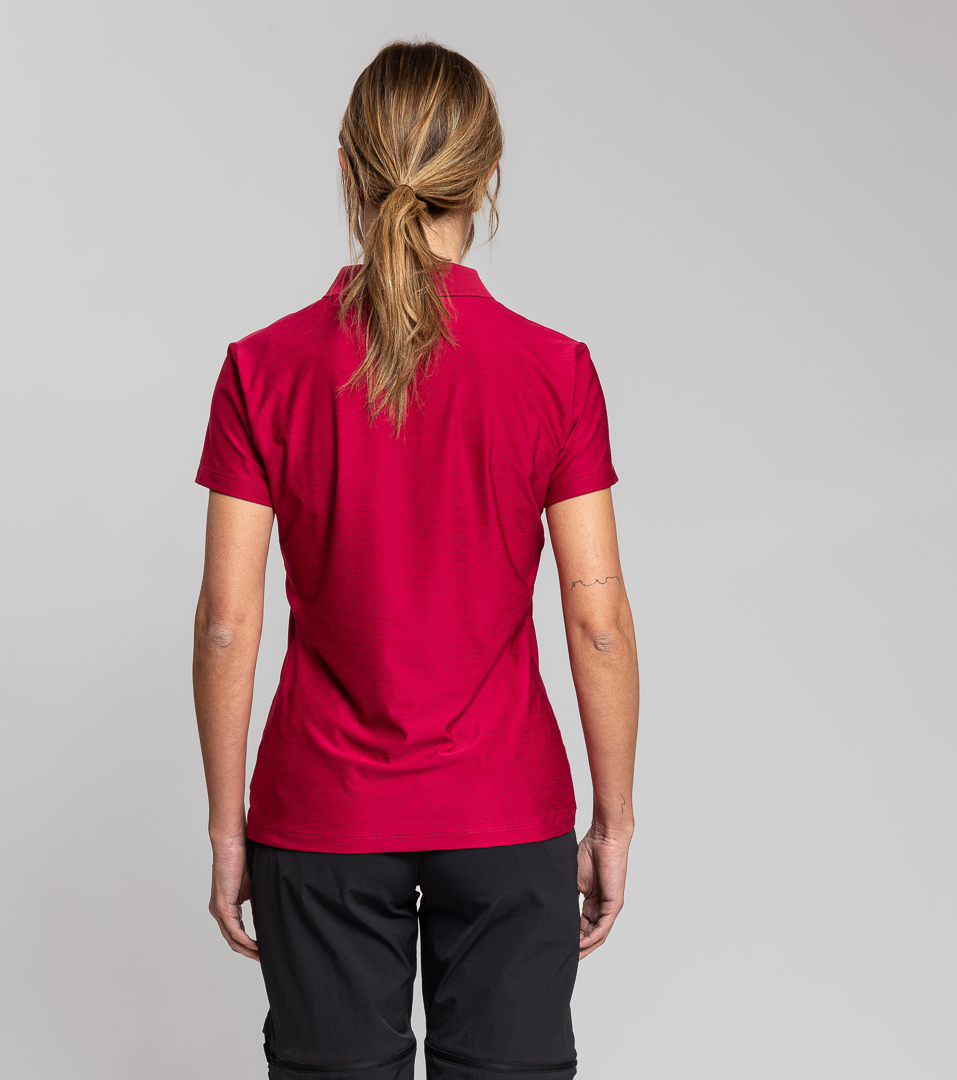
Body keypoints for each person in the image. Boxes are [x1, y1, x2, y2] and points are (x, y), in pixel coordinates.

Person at [191, 39, 639, 1080]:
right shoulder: (555, 372)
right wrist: (614, 822)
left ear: (349, 172)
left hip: (323, 816)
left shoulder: (262, 369)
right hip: (505, 811)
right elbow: (598, 620)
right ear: (487, 179)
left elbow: (225, 623)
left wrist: (227, 829)